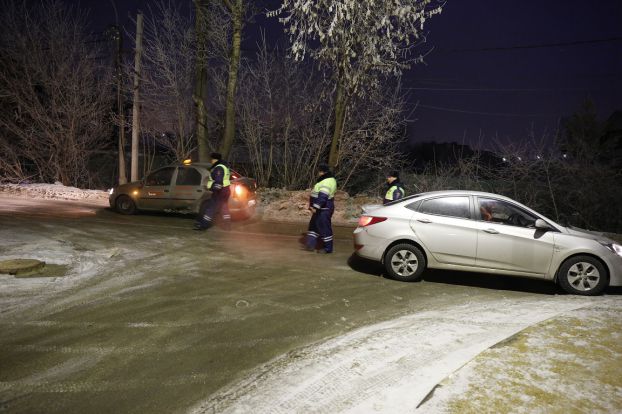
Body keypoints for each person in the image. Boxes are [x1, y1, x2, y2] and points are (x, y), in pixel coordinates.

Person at [194, 152, 232, 231]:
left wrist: (215, 189)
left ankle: (203, 225)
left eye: (212, 159)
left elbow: (218, 180)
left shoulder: (219, 168)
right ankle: (227, 226)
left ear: (215, 159)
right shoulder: (224, 167)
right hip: (225, 190)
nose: (211, 161)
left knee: (211, 208)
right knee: (224, 207)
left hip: (220, 191)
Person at [304, 164, 337, 253]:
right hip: (321, 208)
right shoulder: (325, 180)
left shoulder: (327, 181)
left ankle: (328, 249)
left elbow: (323, 196)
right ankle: (310, 245)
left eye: (319, 171)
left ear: (322, 172)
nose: (318, 173)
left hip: (324, 209)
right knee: (314, 226)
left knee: (324, 228)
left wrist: (315, 207)